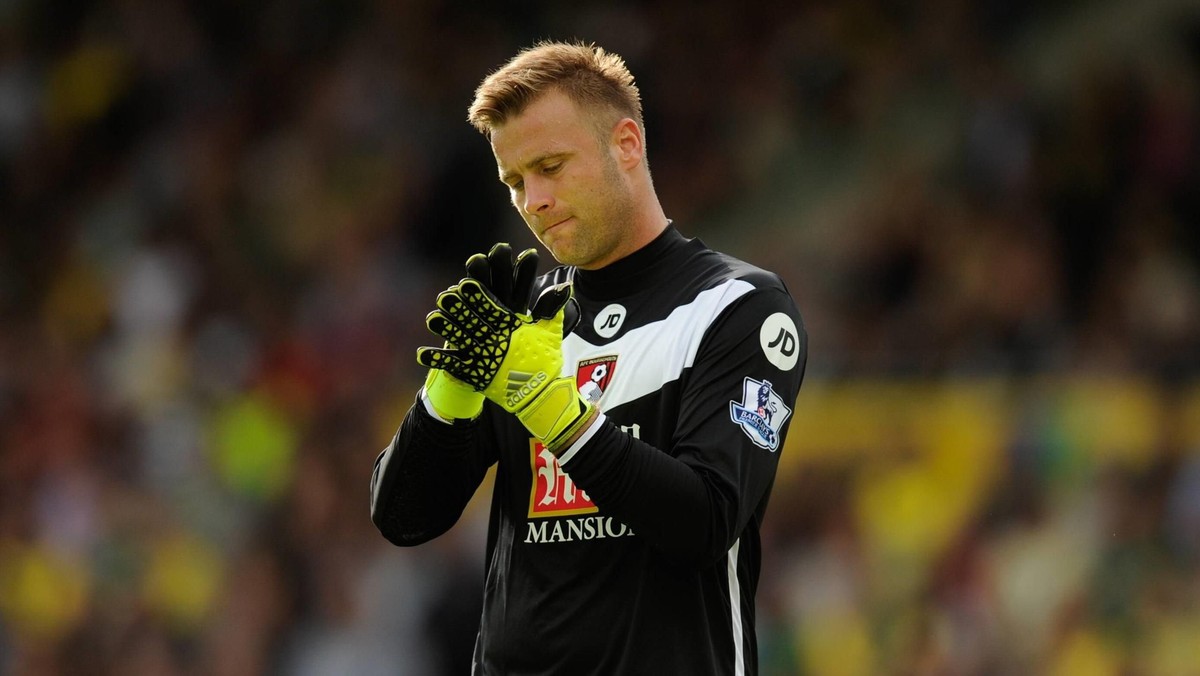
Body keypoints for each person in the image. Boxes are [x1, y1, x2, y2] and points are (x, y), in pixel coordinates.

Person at [370, 40, 807, 675]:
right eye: (515, 180)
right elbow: (404, 518)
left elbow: (706, 522)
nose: (532, 202)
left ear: (626, 144)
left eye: (551, 166)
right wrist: (453, 389)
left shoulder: (739, 308)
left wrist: (555, 413)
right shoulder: (528, 321)